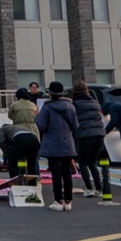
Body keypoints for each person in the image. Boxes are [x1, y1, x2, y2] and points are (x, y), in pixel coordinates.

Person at [36, 81, 79, 211]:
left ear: (50, 93)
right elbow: (76, 126)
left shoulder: (47, 107)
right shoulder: (70, 106)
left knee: (55, 172)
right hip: (67, 142)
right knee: (67, 171)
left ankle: (58, 201)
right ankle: (68, 201)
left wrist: (36, 116)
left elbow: (41, 126)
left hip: (52, 143)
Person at [72, 81, 107, 197]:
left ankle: (89, 188)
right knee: (93, 163)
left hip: (85, 135)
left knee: (82, 163)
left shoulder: (75, 104)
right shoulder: (95, 102)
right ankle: (99, 189)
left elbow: (72, 120)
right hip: (99, 134)